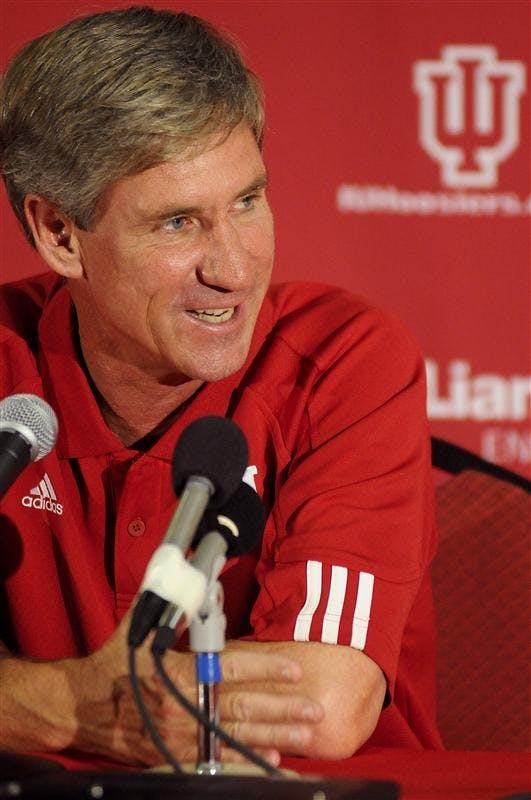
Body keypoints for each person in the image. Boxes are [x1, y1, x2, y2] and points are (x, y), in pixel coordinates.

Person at [0, 5, 441, 772]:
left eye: (247, 201)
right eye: (177, 224)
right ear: (59, 234)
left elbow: (319, 707)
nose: (234, 270)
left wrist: (40, 702)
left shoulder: (340, 359)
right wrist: (83, 703)